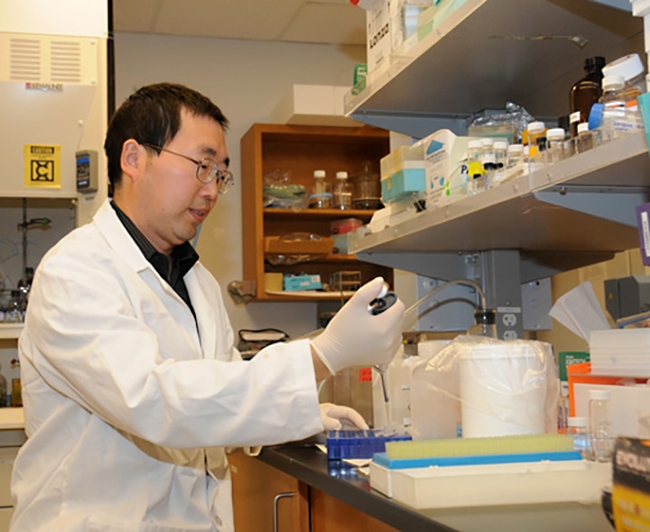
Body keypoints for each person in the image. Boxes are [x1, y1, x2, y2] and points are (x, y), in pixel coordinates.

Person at [10, 83, 405, 532]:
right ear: (134, 158)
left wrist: (296, 420)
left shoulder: (196, 281)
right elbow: (151, 400)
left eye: (221, 173)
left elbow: (220, 389)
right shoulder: (75, 270)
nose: (213, 189)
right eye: (201, 166)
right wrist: (322, 356)